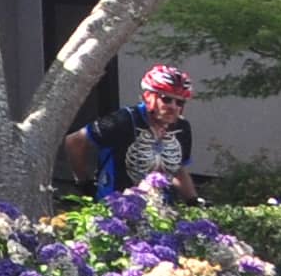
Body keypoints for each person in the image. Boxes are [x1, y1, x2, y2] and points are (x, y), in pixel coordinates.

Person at [67, 62, 197, 198]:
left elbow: (179, 168)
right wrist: (83, 182)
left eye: (180, 102)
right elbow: (74, 141)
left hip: (161, 211)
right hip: (113, 207)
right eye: (166, 99)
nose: (173, 106)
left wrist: (193, 201)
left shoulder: (182, 127)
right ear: (148, 97)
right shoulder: (122, 120)